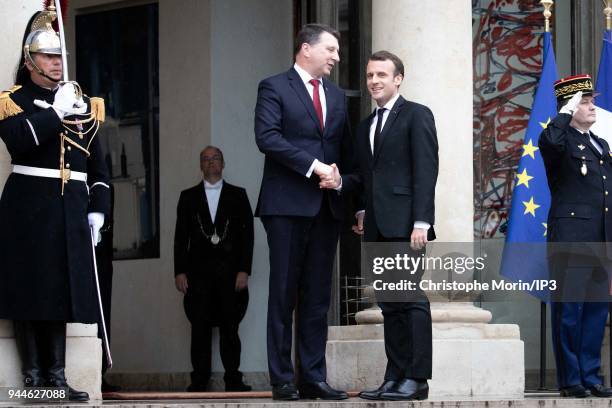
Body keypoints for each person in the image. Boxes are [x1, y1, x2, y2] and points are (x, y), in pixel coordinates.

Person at [0, 6, 110, 402]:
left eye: (60, 56)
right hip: (29, 206)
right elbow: (19, 141)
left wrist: (99, 207)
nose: (56, 63)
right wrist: (56, 112)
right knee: (30, 291)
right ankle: (33, 380)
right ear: (30, 61)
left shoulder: (85, 102)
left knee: (62, 292)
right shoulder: (13, 100)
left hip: (70, 208)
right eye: (48, 56)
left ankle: (57, 378)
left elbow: (98, 163)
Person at [324, 50, 438, 401]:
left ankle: (416, 379)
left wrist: (422, 220)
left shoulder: (417, 115)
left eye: (381, 75)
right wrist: (355, 203)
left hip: (407, 226)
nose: (374, 81)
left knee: (410, 299)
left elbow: (426, 170)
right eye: (370, 75)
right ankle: (395, 375)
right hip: (376, 227)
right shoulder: (365, 126)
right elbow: (364, 175)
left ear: (398, 79)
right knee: (389, 303)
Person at [254, 23, 351, 400]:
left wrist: (343, 184)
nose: (336, 57)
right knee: (283, 293)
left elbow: (341, 148)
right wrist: (315, 166)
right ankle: (281, 378)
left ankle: (313, 376)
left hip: (327, 207)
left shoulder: (338, 96)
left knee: (316, 298)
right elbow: (267, 137)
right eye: (330, 49)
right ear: (306, 49)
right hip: (286, 206)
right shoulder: (274, 87)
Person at [539, 74, 612, 398]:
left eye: (591, 99)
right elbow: (549, 142)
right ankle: (571, 379)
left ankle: (591, 375)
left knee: (596, 312)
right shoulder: (560, 140)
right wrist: (566, 112)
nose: (592, 105)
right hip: (571, 237)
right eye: (585, 101)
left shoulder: (600, 143)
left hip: (600, 238)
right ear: (569, 106)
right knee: (569, 310)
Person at [174, 146, 254, 392]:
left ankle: (233, 378)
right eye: (206, 159)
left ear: (223, 163)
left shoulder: (238, 195)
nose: (211, 163)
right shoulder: (187, 197)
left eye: (216, 158)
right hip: (198, 276)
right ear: (201, 165)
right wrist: (179, 271)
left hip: (231, 275)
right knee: (199, 329)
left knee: (231, 328)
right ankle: (199, 379)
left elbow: (247, 237)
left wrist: (244, 270)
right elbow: (180, 238)